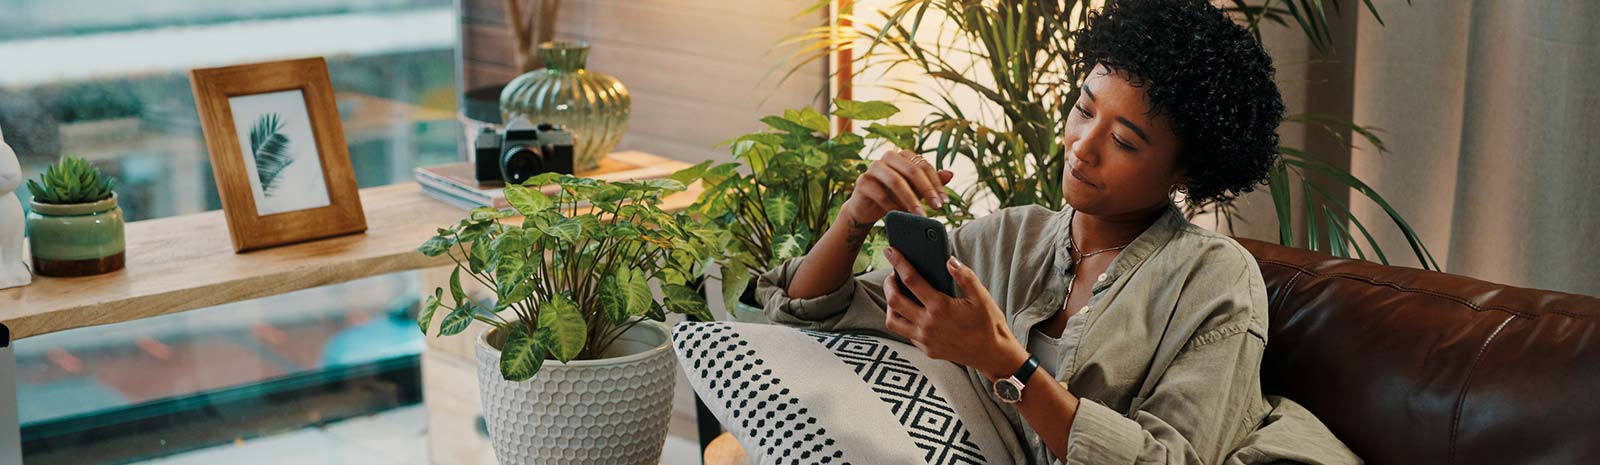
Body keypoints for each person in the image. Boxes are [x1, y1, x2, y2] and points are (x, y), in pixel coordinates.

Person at [755, 0, 1361, 463]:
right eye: (1083, 108)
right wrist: (855, 219)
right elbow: (813, 313)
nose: (1082, 146)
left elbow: (1171, 459)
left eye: (1124, 141)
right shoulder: (1008, 239)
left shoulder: (1213, 279)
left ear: (1188, 170)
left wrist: (1002, 363)